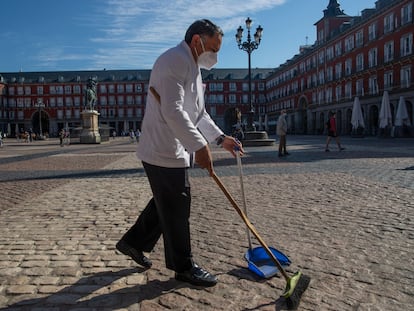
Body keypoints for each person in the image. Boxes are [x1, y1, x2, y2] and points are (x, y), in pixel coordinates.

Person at [116, 19, 243, 287]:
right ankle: (183, 267)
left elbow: (197, 113)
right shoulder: (173, 61)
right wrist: (200, 146)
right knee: (177, 205)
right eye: (213, 49)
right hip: (162, 147)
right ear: (197, 41)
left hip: (173, 147)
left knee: (167, 201)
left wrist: (220, 139)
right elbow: (173, 110)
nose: (216, 57)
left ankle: (132, 242)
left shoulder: (192, 66)